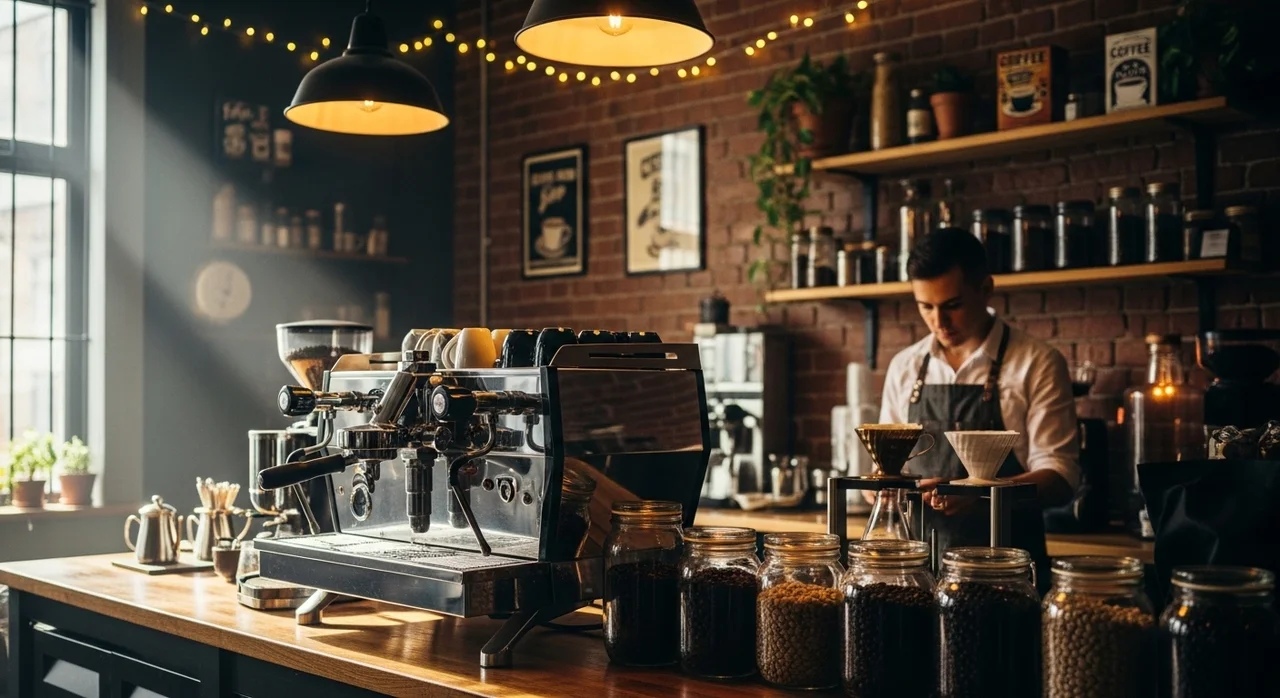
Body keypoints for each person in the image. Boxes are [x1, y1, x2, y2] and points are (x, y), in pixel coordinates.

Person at [879, 228, 1080, 589]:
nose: (939, 322)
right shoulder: (905, 366)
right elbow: (882, 471)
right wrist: (889, 486)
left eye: (952, 305)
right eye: (926, 307)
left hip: (1008, 575)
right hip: (917, 576)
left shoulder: (1037, 363)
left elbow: (1061, 477)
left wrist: (982, 494)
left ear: (985, 289)